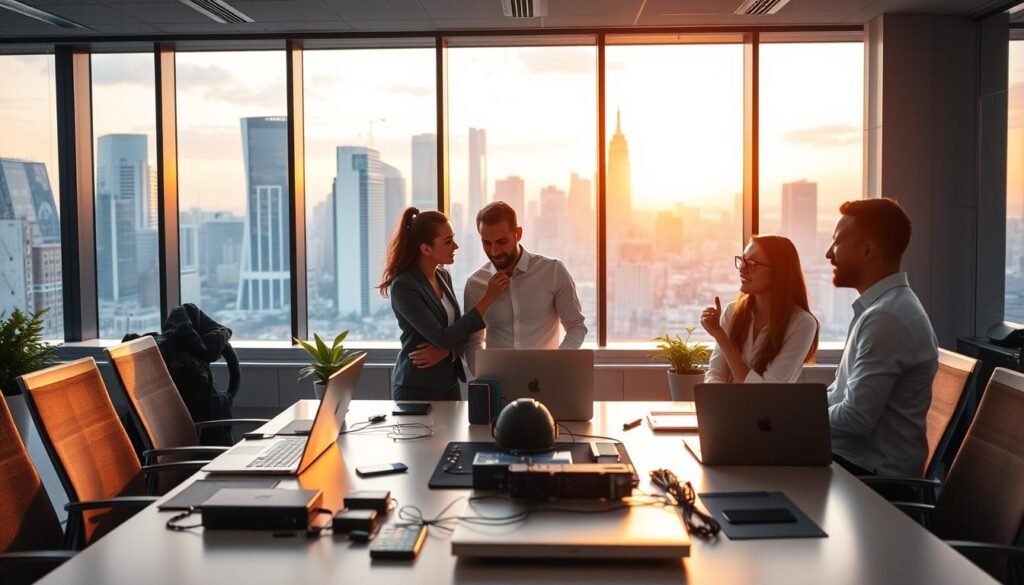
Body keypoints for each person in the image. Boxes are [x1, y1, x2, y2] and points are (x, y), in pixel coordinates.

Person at [825, 198, 938, 478]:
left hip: (871, 481)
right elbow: (840, 396)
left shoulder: (887, 319)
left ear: (866, 250)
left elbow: (855, 419)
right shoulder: (881, 309)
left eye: (837, 243)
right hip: (852, 463)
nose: (829, 254)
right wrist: (788, 408)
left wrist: (790, 418)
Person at [379, 207, 509, 401]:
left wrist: (447, 352)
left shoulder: (443, 275)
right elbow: (443, 337)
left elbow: (459, 331)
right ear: (426, 249)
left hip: (448, 382)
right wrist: (487, 298)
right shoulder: (404, 286)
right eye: (448, 241)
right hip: (416, 387)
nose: (455, 246)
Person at [462, 201, 588, 375]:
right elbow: (473, 341)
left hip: (546, 380)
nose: (494, 251)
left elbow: (576, 326)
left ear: (518, 234)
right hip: (498, 382)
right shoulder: (475, 284)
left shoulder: (553, 271)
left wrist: (556, 365)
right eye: (486, 243)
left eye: (501, 242)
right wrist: (483, 377)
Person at [700, 234, 819, 384]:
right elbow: (715, 374)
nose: (742, 268)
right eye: (742, 261)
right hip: (727, 406)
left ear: (778, 271)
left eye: (751, 263)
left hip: (769, 408)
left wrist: (721, 337)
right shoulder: (732, 311)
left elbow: (765, 391)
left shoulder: (802, 323)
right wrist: (716, 403)